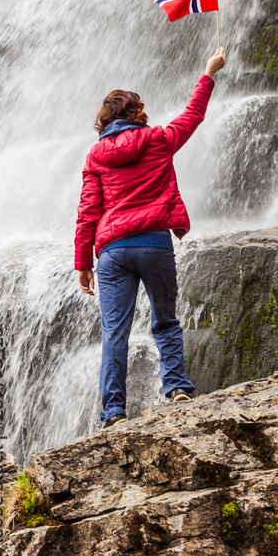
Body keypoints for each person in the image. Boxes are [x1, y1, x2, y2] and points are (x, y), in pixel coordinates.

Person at [74, 47, 226, 428]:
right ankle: (177, 388)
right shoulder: (158, 139)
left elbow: (88, 212)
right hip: (154, 243)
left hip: (112, 252)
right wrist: (208, 72)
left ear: (105, 121)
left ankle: (114, 413)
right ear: (136, 113)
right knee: (165, 320)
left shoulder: (96, 157)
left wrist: (83, 264)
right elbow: (193, 115)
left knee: (114, 334)